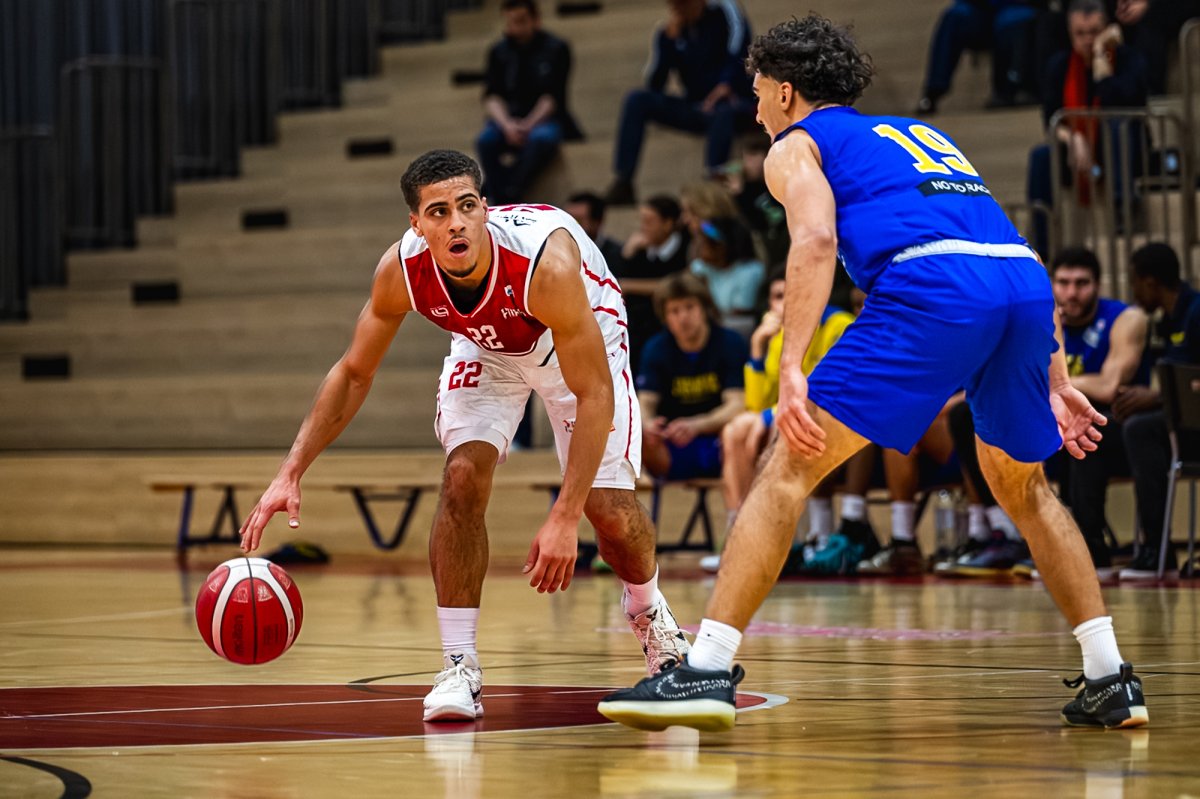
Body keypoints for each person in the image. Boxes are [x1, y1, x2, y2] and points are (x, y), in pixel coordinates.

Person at [598, 14, 1147, 733]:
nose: (756, 108)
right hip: (1021, 288)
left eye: (759, 93)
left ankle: (704, 668)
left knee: (786, 466)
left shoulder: (796, 145)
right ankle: (1111, 678)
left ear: (787, 93)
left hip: (932, 287)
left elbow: (818, 237)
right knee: (1027, 487)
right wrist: (1055, 371)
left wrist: (791, 364)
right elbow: (1005, 248)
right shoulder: (922, 138)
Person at [238, 149, 689, 723]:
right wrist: (290, 471)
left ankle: (656, 623)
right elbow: (353, 373)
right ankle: (458, 666)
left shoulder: (543, 265)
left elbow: (595, 392)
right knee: (461, 476)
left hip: (576, 336)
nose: (457, 222)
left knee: (606, 508)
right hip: (486, 345)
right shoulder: (401, 271)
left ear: (485, 209)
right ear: (418, 225)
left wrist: (564, 515)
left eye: (468, 206)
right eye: (440, 211)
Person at [1051, 245, 1149, 578]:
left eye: (1082, 283)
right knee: (989, 424)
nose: (1071, 292)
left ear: (1098, 284)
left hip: (1120, 432)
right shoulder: (1044, 323)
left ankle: (1092, 549)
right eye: (1063, 283)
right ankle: (1001, 537)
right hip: (1059, 431)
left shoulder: (1125, 318)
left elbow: (1108, 385)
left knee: (1087, 433)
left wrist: (1055, 384)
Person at [1026, 0, 1148, 256]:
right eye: (1080, 34)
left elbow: (1129, 105)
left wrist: (1102, 69)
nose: (1087, 40)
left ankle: (1122, 210)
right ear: (1070, 34)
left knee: (1117, 125)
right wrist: (1072, 138)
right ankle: (1041, 243)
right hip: (1078, 152)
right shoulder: (1060, 65)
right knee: (1041, 156)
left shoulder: (1128, 58)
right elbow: (1050, 117)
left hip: (1124, 148)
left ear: (1107, 29)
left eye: (1094, 32)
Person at [604, 0, 755, 206]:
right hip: (696, 105)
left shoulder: (724, 11)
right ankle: (624, 181)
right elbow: (655, 83)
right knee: (637, 99)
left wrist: (725, 85)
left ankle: (713, 182)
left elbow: (742, 50)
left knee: (723, 111)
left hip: (733, 102)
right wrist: (666, 42)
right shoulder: (671, 32)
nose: (680, 8)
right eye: (675, 5)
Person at [1116, 243, 1200, 580]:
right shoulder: (1167, 320)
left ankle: (1155, 549)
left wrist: (1154, 398)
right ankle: (1094, 547)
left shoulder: (1196, 313)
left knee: (1140, 429)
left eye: (1134, 281)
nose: (1133, 290)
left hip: (1195, 429)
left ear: (1150, 282)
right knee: (1108, 430)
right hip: (1180, 424)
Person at [638, 272, 748, 480]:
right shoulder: (655, 349)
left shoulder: (731, 344)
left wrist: (696, 425)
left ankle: (738, 510)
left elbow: (738, 404)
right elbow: (645, 403)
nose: (683, 317)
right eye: (674, 311)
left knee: (744, 429)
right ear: (665, 317)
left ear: (704, 309)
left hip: (720, 439)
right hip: (671, 443)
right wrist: (650, 425)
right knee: (634, 435)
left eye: (689, 307)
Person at [476, 0, 582, 204]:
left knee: (542, 139)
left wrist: (528, 124)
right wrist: (507, 124)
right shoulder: (498, 51)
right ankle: (498, 193)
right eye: (510, 22)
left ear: (535, 20)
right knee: (486, 140)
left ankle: (508, 191)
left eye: (521, 21)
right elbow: (491, 96)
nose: (515, 27)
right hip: (508, 118)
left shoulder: (556, 48)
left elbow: (553, 96)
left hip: (544, 118)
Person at [915, 0, 1039, 115]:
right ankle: (933, 91)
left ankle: (1009, 88)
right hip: (980, 8)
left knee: (1011, 20)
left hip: (1018, 5)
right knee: (955, 16)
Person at [614, 194, 690, 372]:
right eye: (642, 221)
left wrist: (630, 286)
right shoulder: (639, 251)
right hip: (638, 326)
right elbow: (616, 284)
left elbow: (676, 283)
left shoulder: (685, 249)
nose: (643, 227)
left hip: (667, 323)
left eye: (649, 221)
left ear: (668, 223)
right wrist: (626, 254)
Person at [689, 215, 765, 334]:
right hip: (716, 324)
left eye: (703, 242)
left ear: (721, 247)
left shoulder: (750, 271)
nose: (698, 246)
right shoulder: (705, 267)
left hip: (742, 329)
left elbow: (740, 314)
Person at [565, 190, 624, 269]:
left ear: (597, 222)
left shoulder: (616, 256)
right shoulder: (553, 251)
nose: (569, 226)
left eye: (578, 220)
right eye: (565, 219)